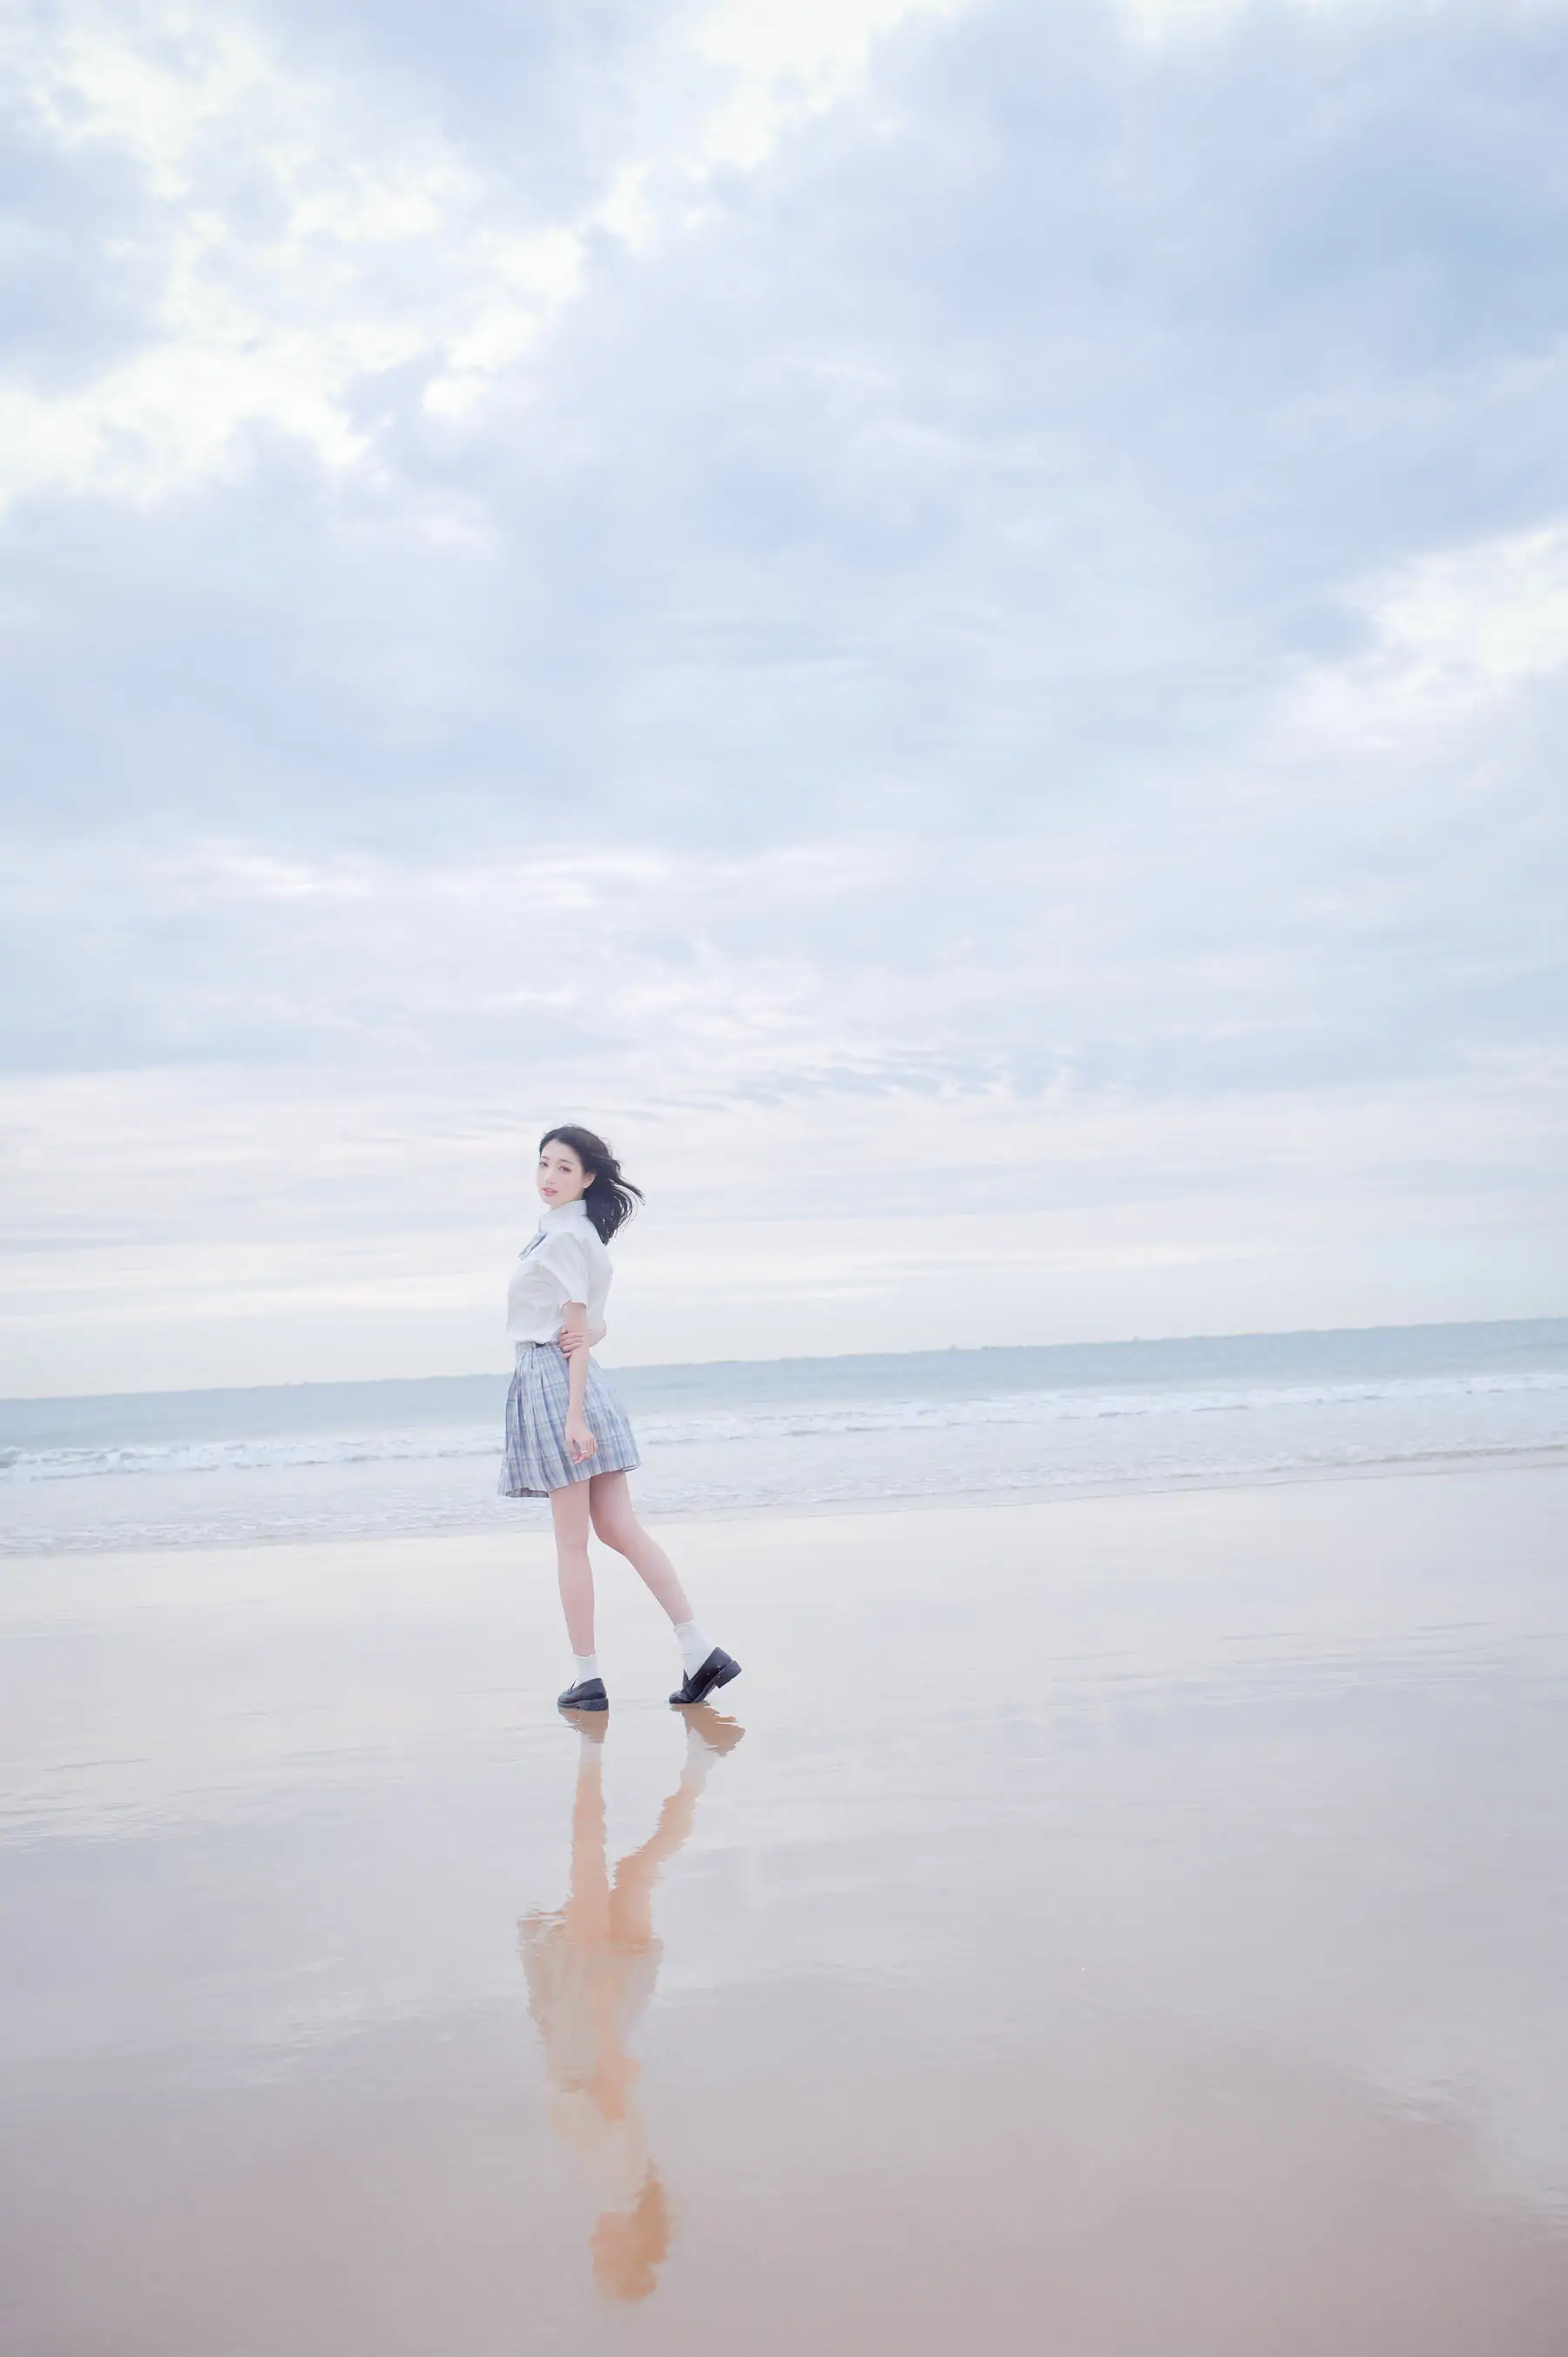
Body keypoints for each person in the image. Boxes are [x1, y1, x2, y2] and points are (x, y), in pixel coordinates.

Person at [500, 1124, 741, 1713]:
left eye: (563, 1167)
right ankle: (699, 1650)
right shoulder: (576, 1232)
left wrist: (573, 1416)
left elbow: (576, 1332)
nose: (548, 1176)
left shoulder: (563, 1237)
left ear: (587, 1177)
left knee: (572, 1542)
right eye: (543, 1163)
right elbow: (591, 1327)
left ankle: (588, 1679)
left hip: (558, 1384)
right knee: (619, 1529)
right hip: (578, 1381)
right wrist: (585, 1357)